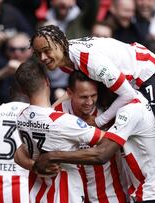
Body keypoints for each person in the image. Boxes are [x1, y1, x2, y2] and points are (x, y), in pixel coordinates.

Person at [30, 24, 155, 201]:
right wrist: (48, 114)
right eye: (38, 54)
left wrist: (100, 121)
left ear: (61, 43)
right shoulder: (66, 60)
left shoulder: (88, 60)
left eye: (47, 50)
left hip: (146, 72)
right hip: (128, 82)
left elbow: (127, 93)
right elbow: (75, 92)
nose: (43, 57)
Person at [15, 60, 105, 203]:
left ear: (22, 90)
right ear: (47, 81)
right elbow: (107, 140)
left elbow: (18, 154)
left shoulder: (21, 117)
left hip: (39, 194)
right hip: (65, 195)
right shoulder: (65, 122)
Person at [54, 71, 128, 202]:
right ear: (69, 93)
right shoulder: (56, 115)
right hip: (71, 195)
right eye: (83, 97)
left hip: (109, 195)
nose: (89, 102)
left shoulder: (109, 112)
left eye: (93, 95)